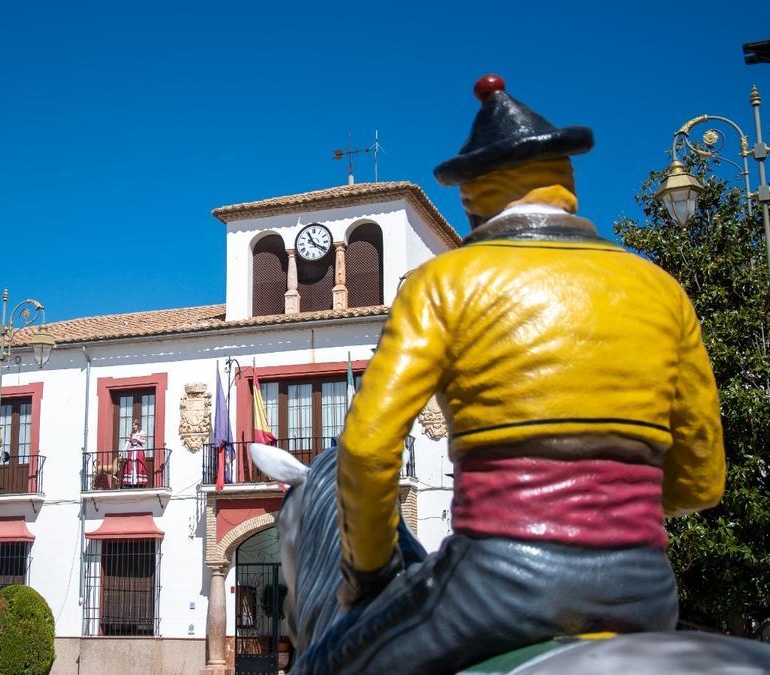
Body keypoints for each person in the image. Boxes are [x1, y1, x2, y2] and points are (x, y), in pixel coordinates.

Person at [286, 75, 725, 674]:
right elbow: (701, 483)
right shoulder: (661, 290)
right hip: (646, 591)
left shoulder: (444, 283)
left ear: (472, 196)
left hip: (497, 591)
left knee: (321, 665)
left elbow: (365, 450)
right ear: (566, 181)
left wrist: (369, 574)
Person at [122, 419, 149, 487]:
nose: (134, 426)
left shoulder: (141, 433)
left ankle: (139, 482)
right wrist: (124, 449)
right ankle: (131, 482)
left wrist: (137, 439)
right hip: (131, 450)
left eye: (135, 425)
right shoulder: (131, 433)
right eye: (133, 425)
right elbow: (128, 442)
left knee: (138, 466)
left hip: (139, 450)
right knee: (131, 466)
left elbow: (144, 442)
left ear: (138, 426)